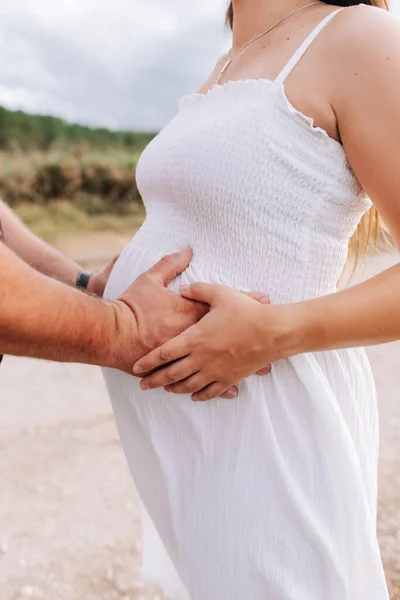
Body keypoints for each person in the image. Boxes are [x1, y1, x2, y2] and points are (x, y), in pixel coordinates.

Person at [102, 1, 398, 598]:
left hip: (271, 429)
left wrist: (275, 331)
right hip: (194, 448)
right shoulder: (229, 61)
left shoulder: (360, 38)